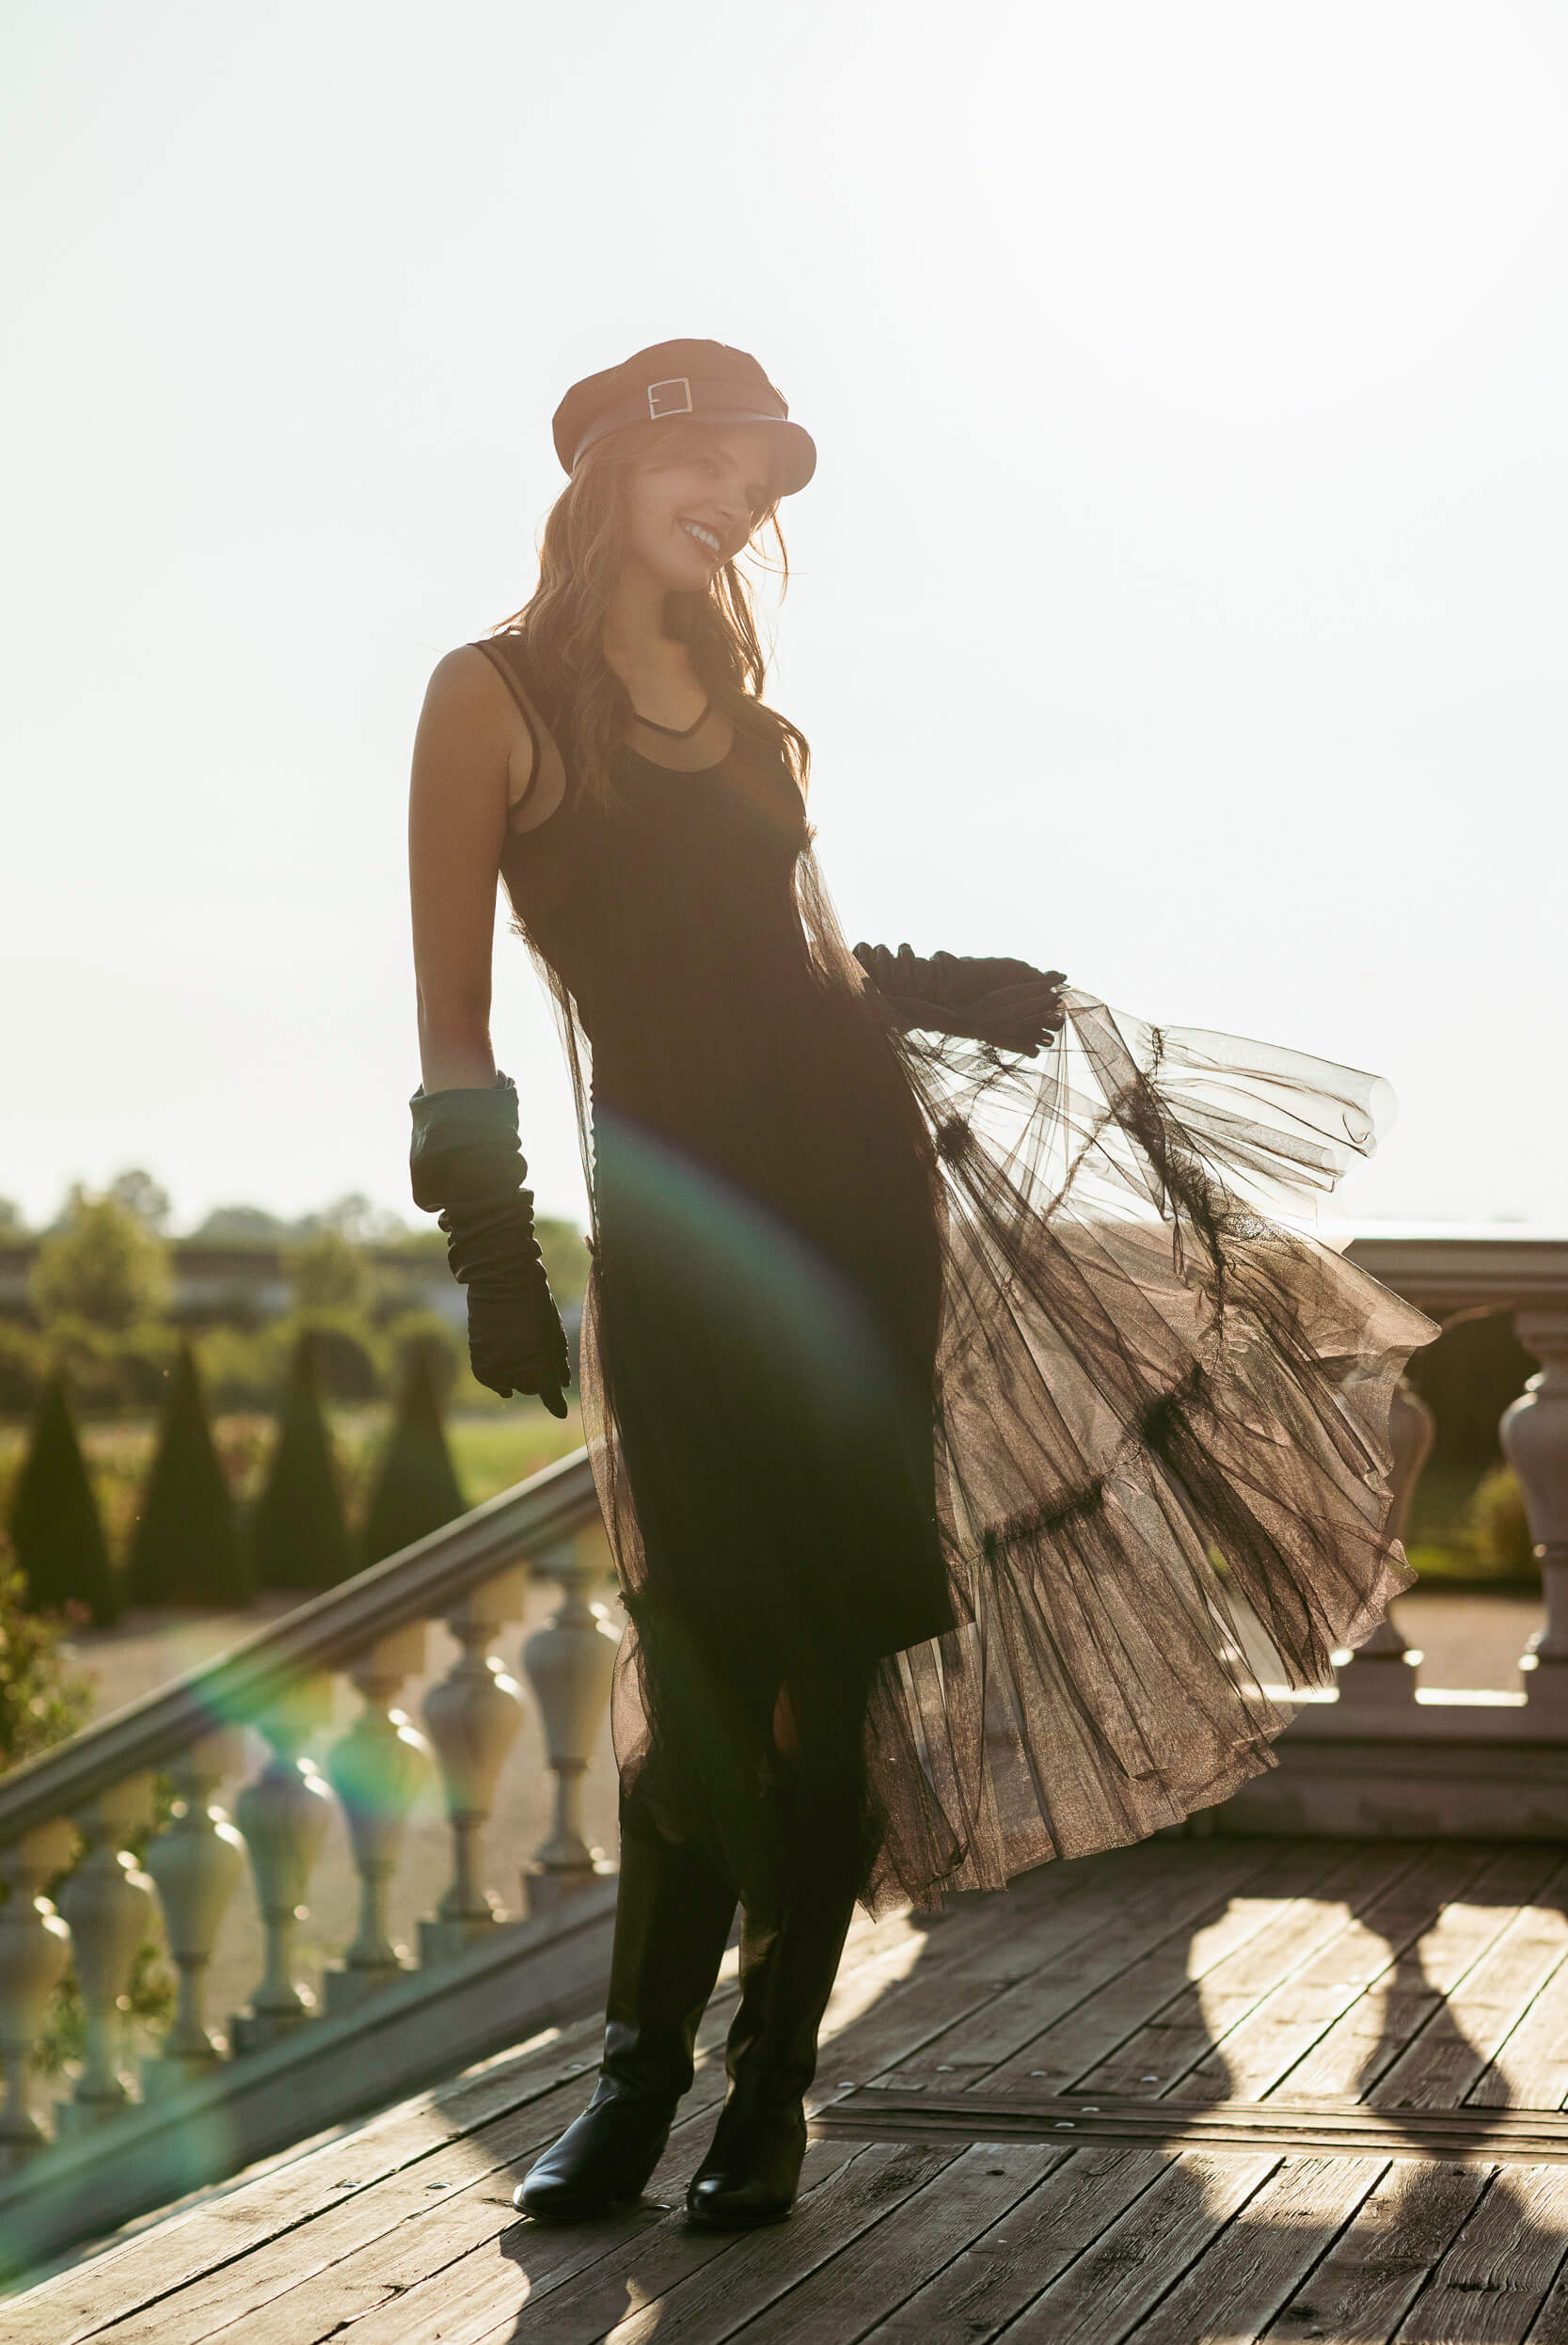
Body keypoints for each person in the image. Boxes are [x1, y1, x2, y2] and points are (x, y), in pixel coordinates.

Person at [405, 338, 1437, 2230]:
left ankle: (765, 2091)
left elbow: (790, 961)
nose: (731, 505)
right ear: (616, 472)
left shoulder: (765, 726)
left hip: (854, 1211)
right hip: (683, 1239)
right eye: (702, 467)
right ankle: (635, 2080)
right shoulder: (485, 699)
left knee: (825, 1672)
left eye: (754, 483)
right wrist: (490, 1246)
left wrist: (931, 980)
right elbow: (456, 1023)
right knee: (696, 1665)